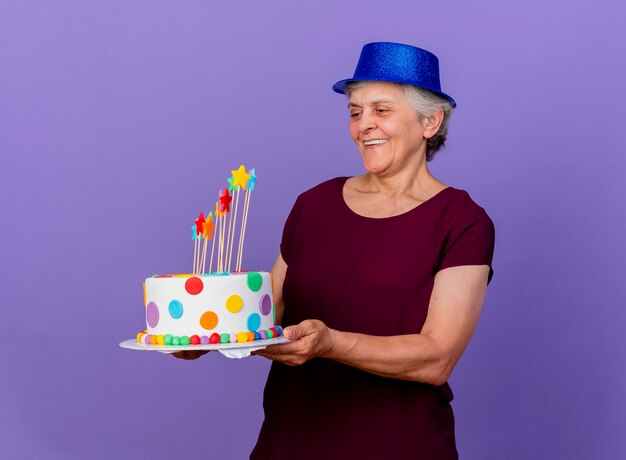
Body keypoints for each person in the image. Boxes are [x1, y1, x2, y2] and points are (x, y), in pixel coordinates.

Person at [249, 42, 495, 459]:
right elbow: (264, 313)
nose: (364, 125)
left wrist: (330, 343)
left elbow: (437, 357)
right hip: (291, 443)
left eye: (381, 110)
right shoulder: (313, 204)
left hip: (400, 447)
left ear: (430, 121)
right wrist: (204, 331)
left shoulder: (463, 221)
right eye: (355, 111)